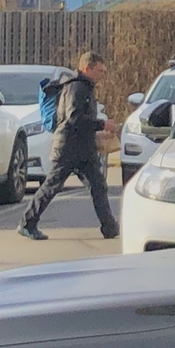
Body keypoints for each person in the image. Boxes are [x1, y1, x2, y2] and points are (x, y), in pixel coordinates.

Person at [21, 52, 118, 240]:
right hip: (68, 148)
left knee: (98, 186)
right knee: (51, 186)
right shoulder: (77, 87)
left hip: (83, 149)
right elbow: (74, 118)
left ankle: (110, 228)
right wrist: (101, 125)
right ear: (87, 68)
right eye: (100, 70)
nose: (102, 75)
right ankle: (27, 223)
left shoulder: (85, 87)